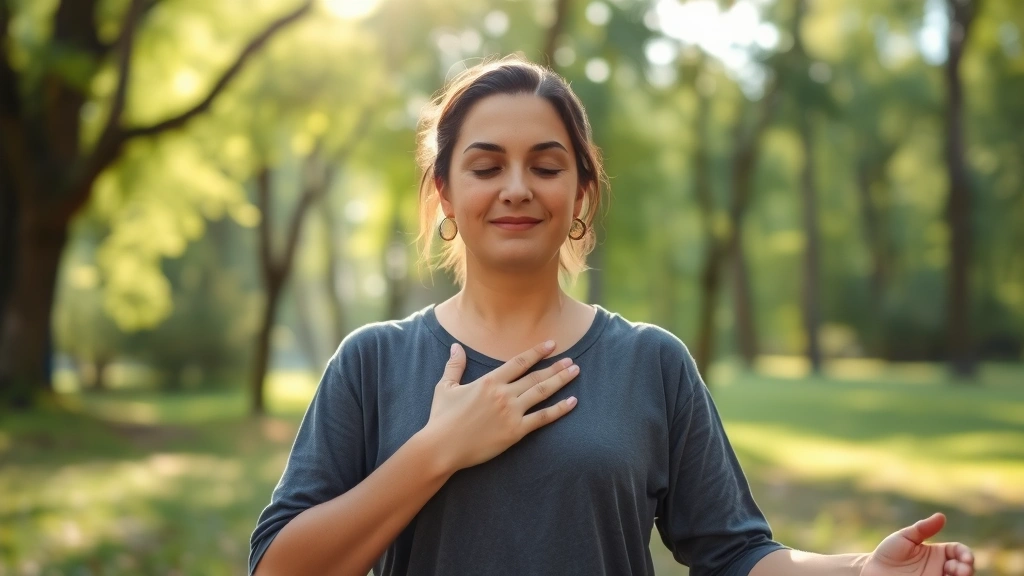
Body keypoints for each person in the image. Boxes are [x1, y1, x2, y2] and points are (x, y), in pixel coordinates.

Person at [249, 56, 975, 576]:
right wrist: (438, 449)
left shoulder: (651, 362)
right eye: (484, 165)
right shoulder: (372, 362)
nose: (516, 188)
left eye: (546, 164)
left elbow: (733, 553)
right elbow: (280, 567)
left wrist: (857, 572)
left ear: (581, 192)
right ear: (443, 191)